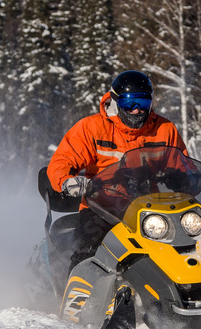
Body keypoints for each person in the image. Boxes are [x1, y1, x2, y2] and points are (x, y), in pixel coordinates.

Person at [47, 70, 186, 272]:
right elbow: (62, 160)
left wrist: (188, 179)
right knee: (88, 250)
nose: (137, 110)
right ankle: (81, 297)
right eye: (129, 103)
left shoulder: (165, 129)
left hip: (151, 209)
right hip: (102, 207)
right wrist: (67, 181)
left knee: (191, 240)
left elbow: (182, 164)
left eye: (143, 103)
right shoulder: (92, 128)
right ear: (115, 101)